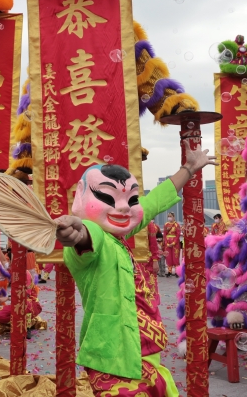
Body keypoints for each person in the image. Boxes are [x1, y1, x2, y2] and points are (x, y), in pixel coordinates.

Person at [55, 146, 215, 396]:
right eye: (108, 198)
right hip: (113, 360)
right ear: (80, 198)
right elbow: (87, 236)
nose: (123, 208)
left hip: (146, 355)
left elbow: (152, 203)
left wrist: (189, 168)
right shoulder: (96, 239)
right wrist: (78, 231)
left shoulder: (118, 236)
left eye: (131, 200)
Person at [145, 221, 162, 306]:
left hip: (146, 262)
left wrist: (155, 260)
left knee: (149, 286)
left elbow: (153, 243)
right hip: (130, 260)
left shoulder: (149, 225)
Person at [162, 212, 181, 277]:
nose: (169, 217)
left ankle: (177, 271)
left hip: (175, 243)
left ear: (173, 217)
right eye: (168, 216)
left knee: (175, 257)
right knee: (168, 257)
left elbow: (178, 234)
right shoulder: (166, 224)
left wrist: (173, 243)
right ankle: (169, 271)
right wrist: (166, 243)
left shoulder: (176, 225)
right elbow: (164, 234)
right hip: (167, 243)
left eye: (170, 216)